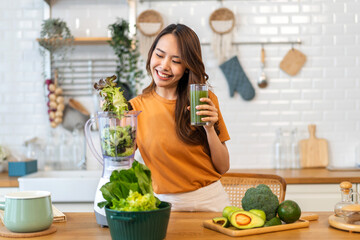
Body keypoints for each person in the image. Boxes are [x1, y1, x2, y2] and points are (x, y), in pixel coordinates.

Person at [129, 23, 231, 212]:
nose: (164, 66)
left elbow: (223, 167)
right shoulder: (135, 108)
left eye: (176, 61)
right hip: (165, 206)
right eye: (159, 55)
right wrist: (111, 122)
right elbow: (119, 162)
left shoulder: (203, 99)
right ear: (151, 54)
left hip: (212, 201)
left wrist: (209, 128)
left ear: (187, 67)